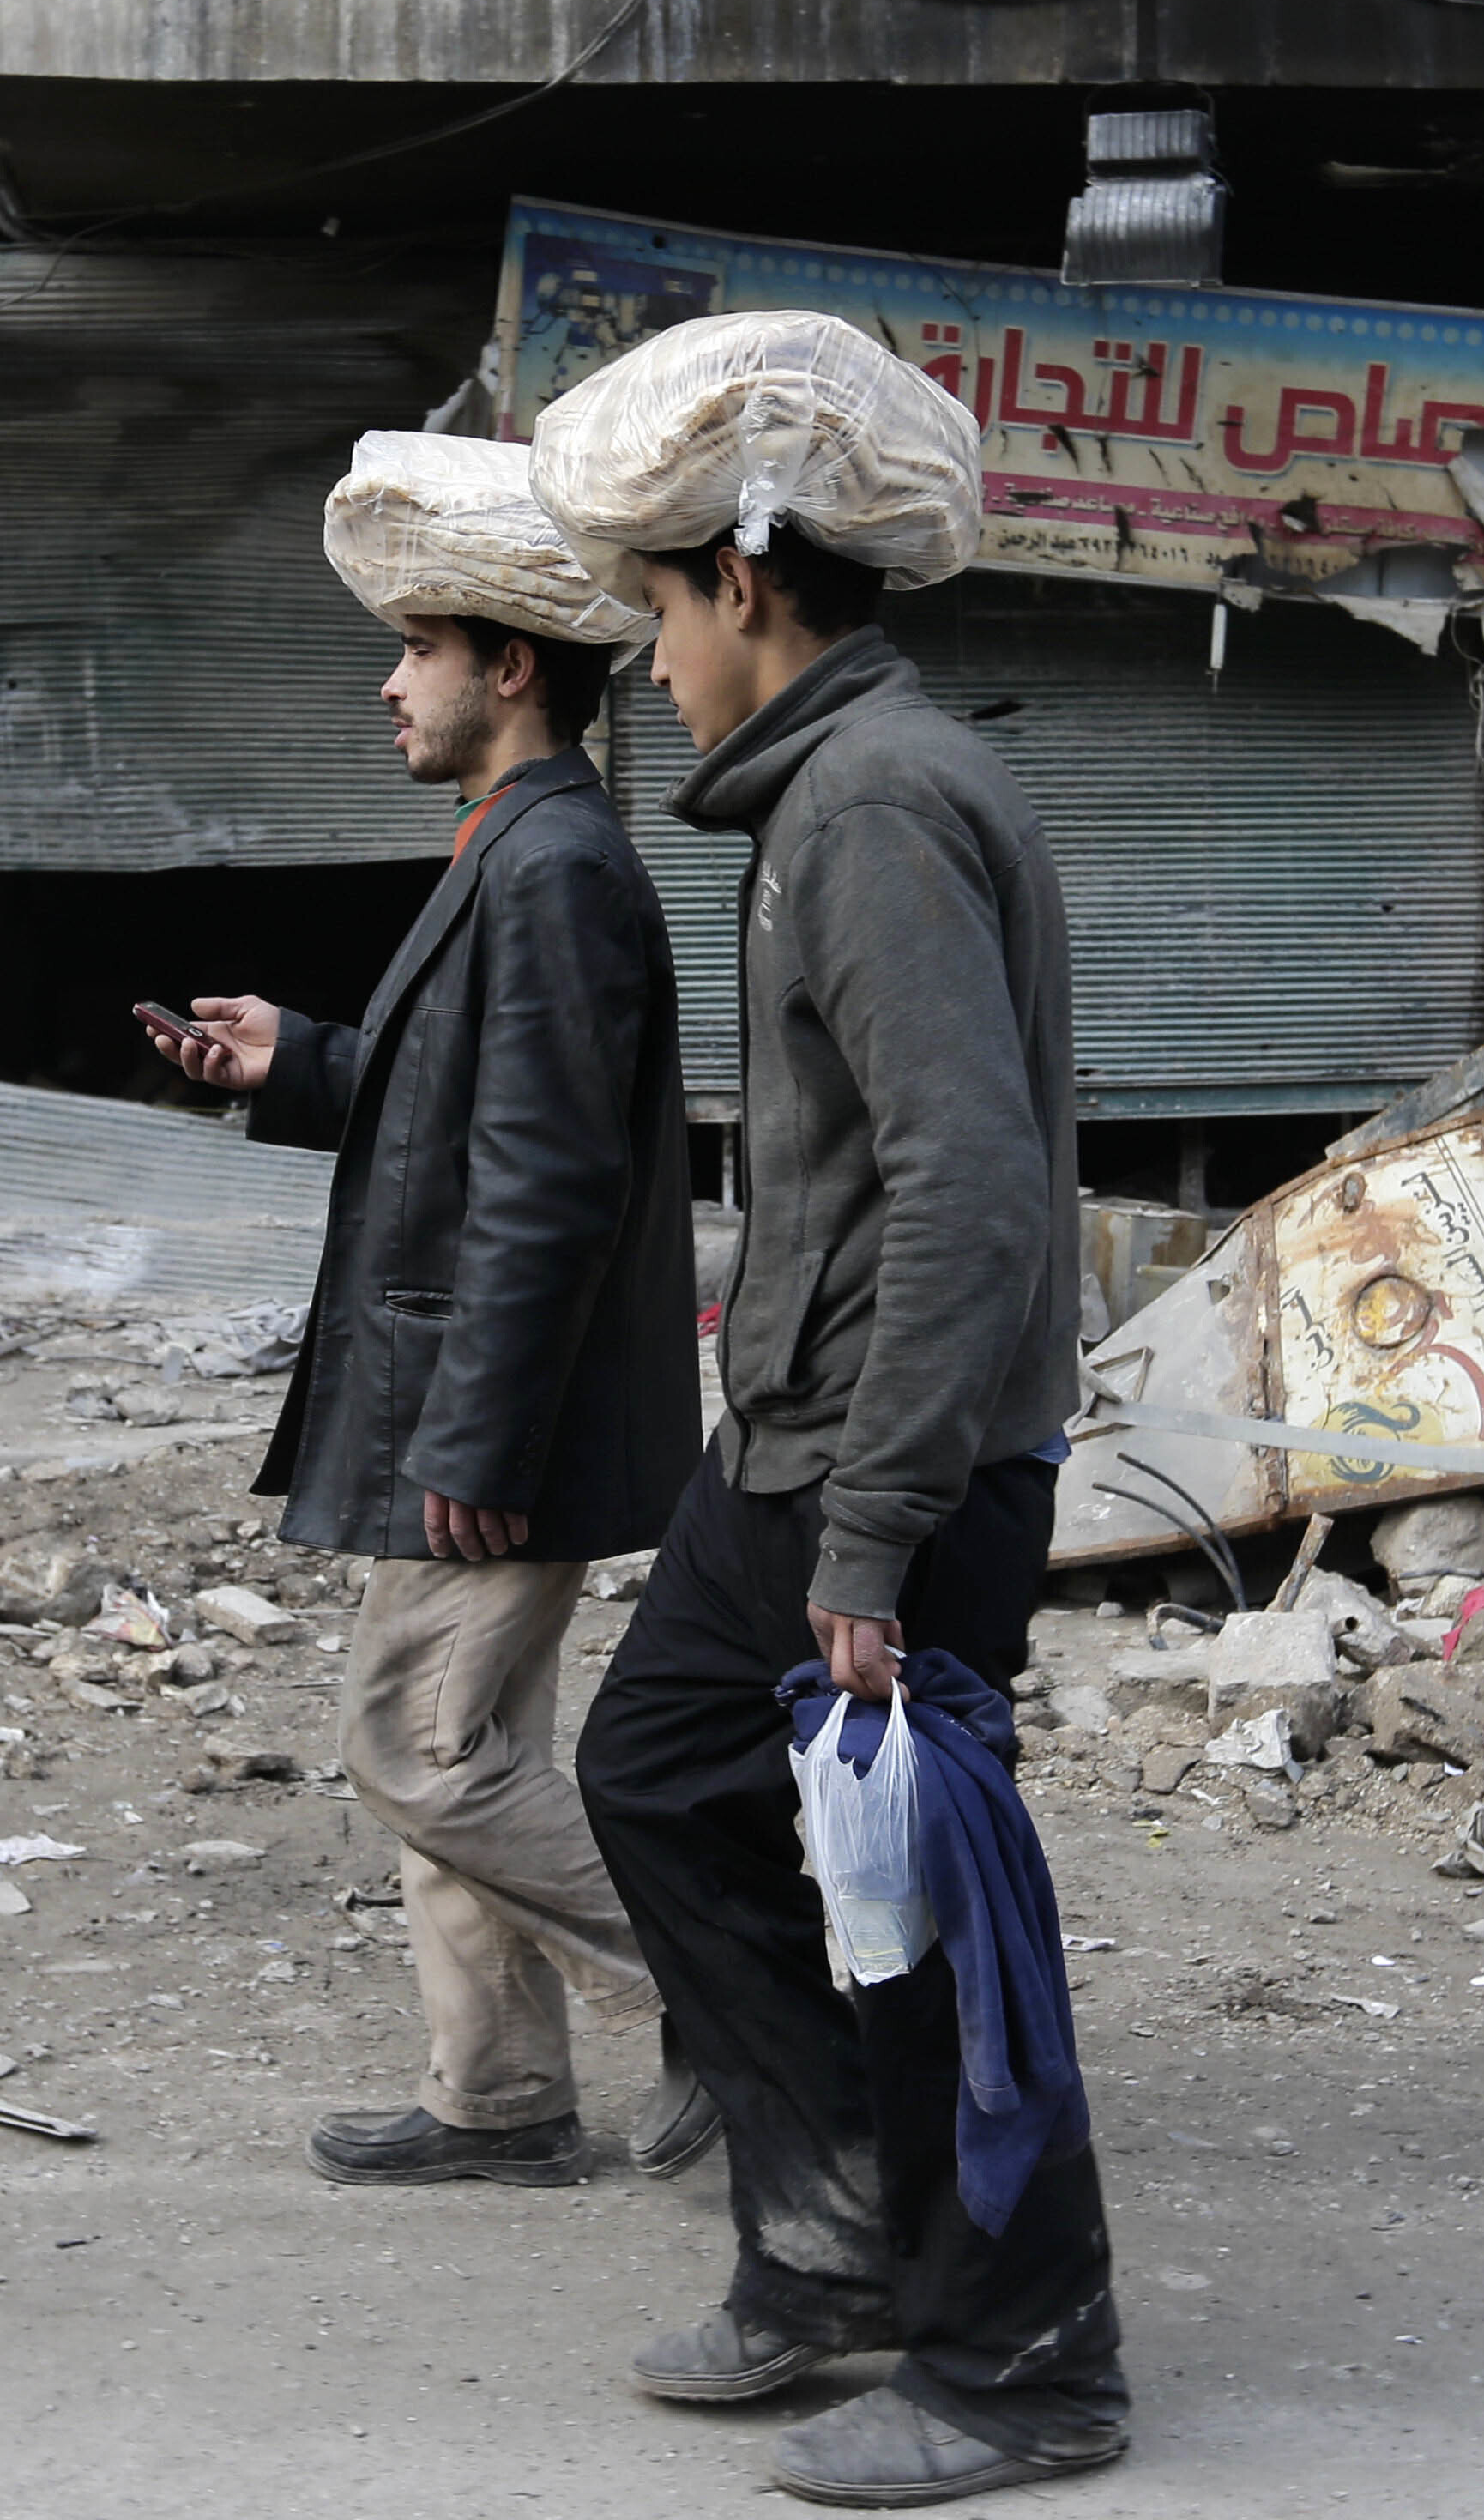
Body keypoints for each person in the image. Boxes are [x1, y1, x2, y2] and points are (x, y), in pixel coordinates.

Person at [573, 502, 1127, 2505]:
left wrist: (881, 1526)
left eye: (657, 611)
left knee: (921, 1910)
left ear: (743, 587)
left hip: (892, 1468)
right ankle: (823, 2240)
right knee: (654, 1773)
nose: (649, 661)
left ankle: (1022, 2366)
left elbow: (968, 1188)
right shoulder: (845, 788)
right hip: (798, 1452)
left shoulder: (876, 802)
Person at [152, 446, 712, 2191]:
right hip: (475, 1403)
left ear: (511, 667)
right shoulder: (518, 849)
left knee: (417, 1749)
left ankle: (745, 2003)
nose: (388, 680)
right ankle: (500, 2101)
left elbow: (544, 1184)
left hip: (495, 1417)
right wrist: (303, 1061)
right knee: (460, 1747)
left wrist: (475, 1438)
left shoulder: (553, 868)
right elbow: (478, 1110)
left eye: (416, 646)